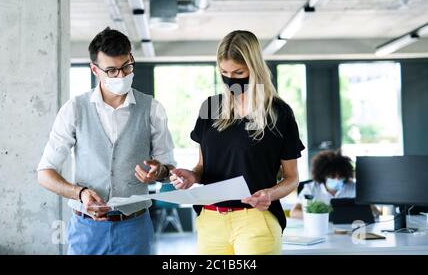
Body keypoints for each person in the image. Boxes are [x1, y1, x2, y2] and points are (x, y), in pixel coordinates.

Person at [37, 27, 176, 255]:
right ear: (95, 70)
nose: (121, 76)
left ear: (131, 59)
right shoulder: (74, 109)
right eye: (111, 70)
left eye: (126, 67)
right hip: (86, 229)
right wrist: (80, 193)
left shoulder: (152, 108)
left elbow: (169, 169)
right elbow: (45, 173)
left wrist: (160, 171)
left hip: (135, 228)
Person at [170, 30, 305, 255]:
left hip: (255, 219)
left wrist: (270, 194)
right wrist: (192, 176)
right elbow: (202, 168)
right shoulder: (211, 107)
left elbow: (292, 178)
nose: (230, 79)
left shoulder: (278, 113)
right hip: (210, 221)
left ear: (254, 68)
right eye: (224, 72)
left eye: (238, 72)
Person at [290, 150, 355, 219]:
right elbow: (294, 212)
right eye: (332, 176)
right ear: (323, 175)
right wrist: (320, 217)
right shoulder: (310, 188)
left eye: (341, 176)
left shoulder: (354, 187)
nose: (337, 179)